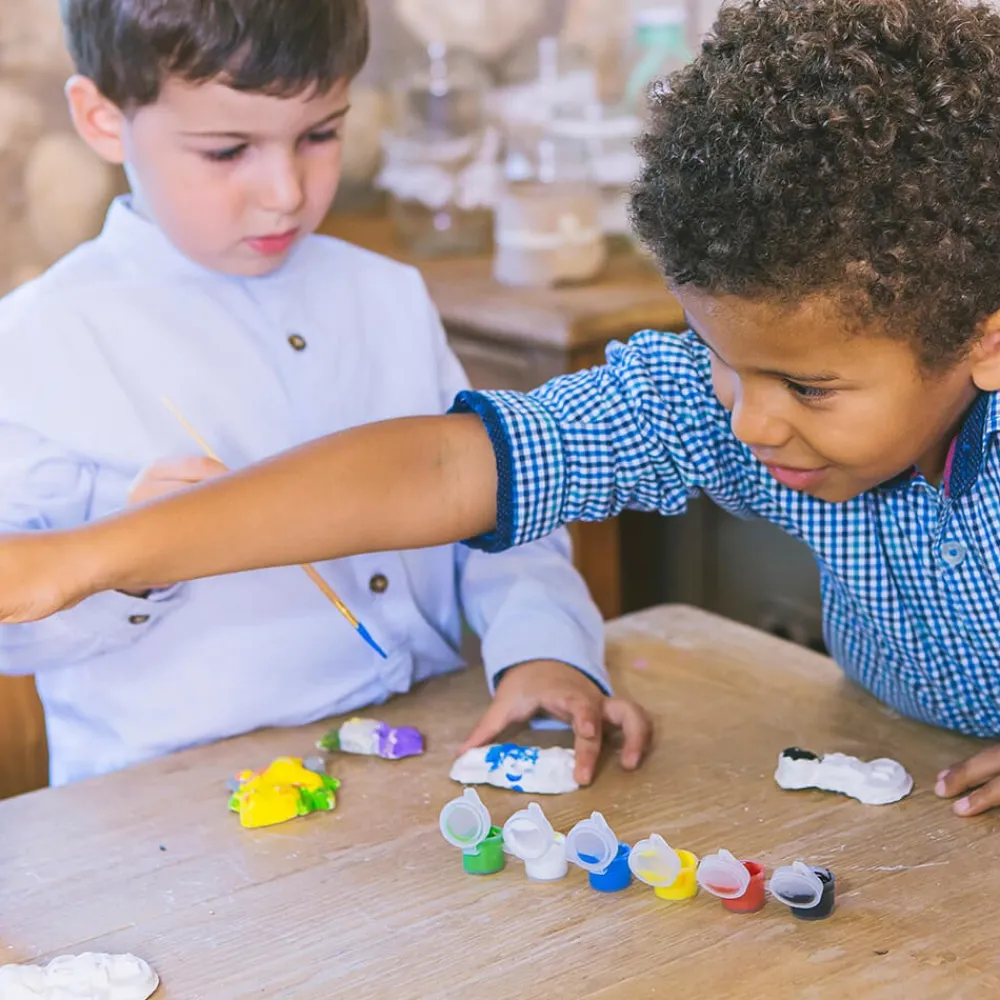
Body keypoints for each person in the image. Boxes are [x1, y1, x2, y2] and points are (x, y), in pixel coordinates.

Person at [6, 0, 996, 812]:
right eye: (720, 359)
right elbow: (450, 469)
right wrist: (90, 558)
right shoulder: (705, 404)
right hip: (893, 759)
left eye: (808, 386)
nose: (747, 422)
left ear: (983, 340)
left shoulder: (379, 295)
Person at [0, 0, 651, 786]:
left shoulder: (386, 295)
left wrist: (544, 648)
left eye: (320, 134)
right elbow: (16, 632)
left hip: (426, 749)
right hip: (179, 804)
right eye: (227, 150)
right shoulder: (36, 341)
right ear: (103, 119)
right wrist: (128, 570)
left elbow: (501, 500)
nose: (284, 191)